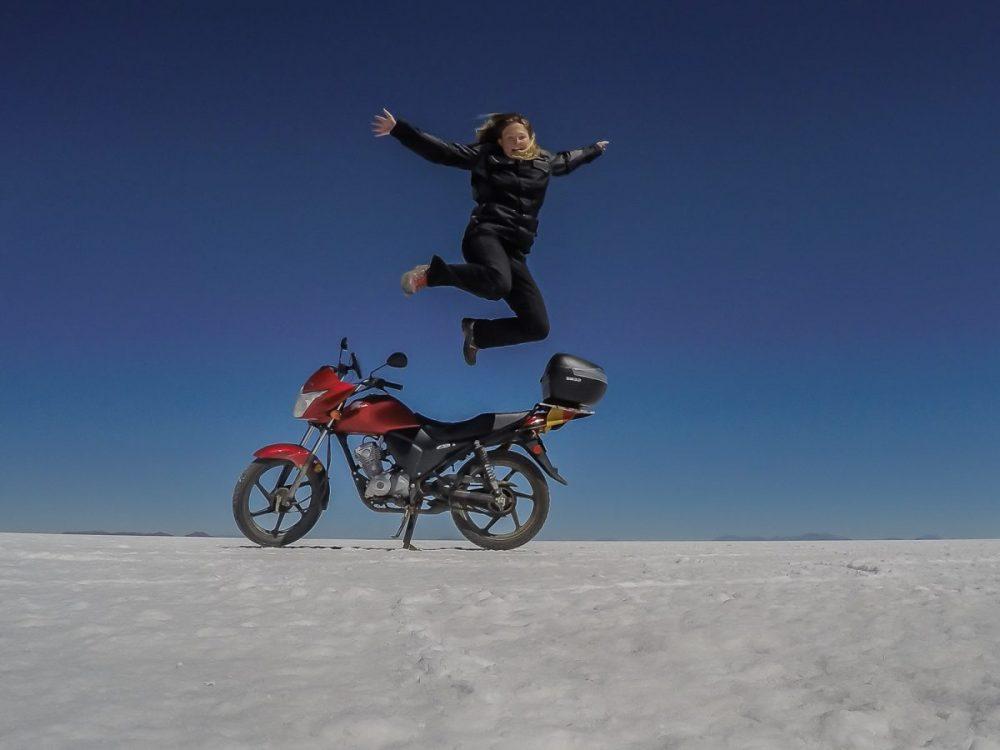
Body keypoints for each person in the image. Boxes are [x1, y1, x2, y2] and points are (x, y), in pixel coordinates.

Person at [372, 108, 609, 365]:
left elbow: (567, 160)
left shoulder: (545, 161)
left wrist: (593, 150)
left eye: (521, 138)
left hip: (515, 252)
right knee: (498, 283)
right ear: (500, 142)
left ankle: (478, 334)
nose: (517, 144)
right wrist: (400, 130)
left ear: (530, 138)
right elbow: (444, 151)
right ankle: (430, 274)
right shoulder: (486, 157)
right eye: (510, 139)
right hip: (486, 235)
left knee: (537, 326)